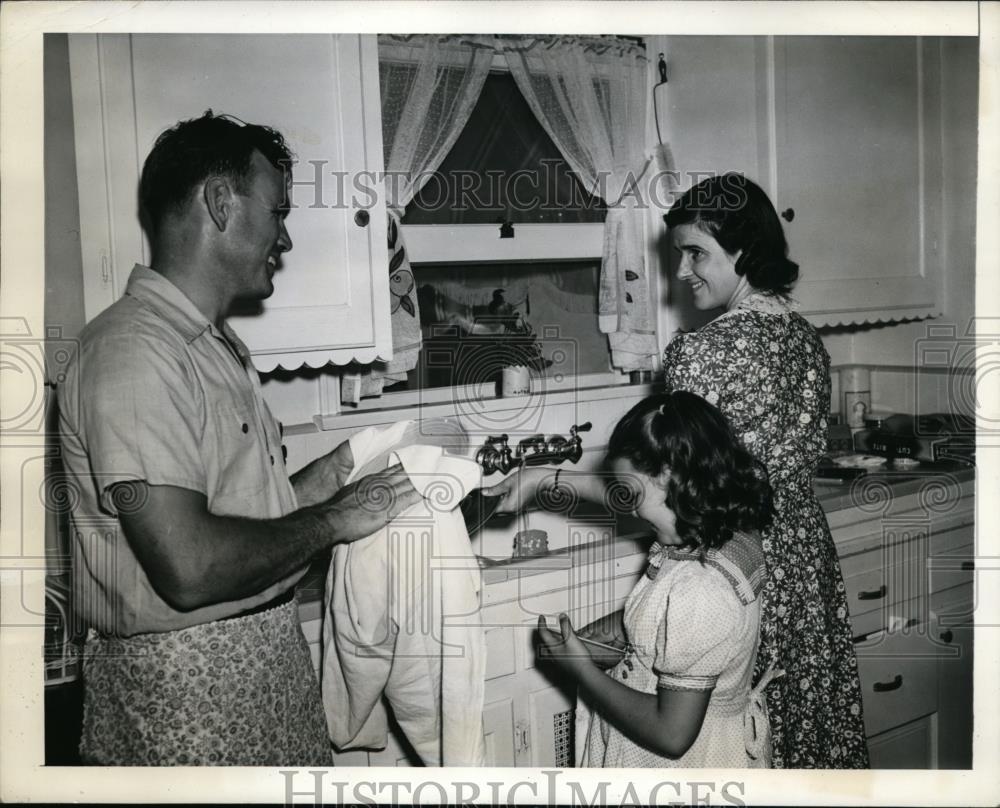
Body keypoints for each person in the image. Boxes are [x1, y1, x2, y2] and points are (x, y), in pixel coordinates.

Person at [57, 112, 422, 766]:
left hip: (262, 672)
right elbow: (191, 567)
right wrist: (336, 519)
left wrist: (347, 466)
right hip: (187, 696)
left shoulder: (215, 346)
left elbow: (244, 514)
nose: (283, 237)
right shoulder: (134, 354)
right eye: (278, 211)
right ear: (221, 203)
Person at [485, 173, 869, 768]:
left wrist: (541, 482)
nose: (683, 271)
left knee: (709, 747)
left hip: (721, 558)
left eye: (697, 253)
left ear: (743, 252)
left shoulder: (702, 351)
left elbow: (668, 484)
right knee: (790, 747)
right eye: (679, 254)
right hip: (798, 569)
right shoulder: (804, 338)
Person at [535, 391, 777, 767]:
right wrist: (605, 636)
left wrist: (580, 668)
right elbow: (673, 626)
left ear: (669, 476)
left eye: (631, 493)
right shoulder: (727, 532)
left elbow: (673, 734)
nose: (627, 507)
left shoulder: (700, 589)